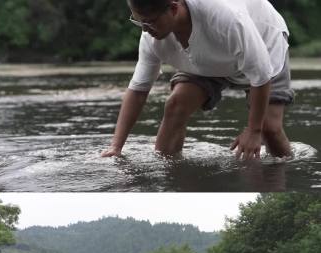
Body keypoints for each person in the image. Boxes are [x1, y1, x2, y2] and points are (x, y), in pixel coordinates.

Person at [101, 0, 294, 161]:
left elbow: (260, 76)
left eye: (150, 22)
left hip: (264, 44)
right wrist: (116, 146)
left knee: (269, 129)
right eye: (138, 21)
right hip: (206, 59)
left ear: (174, 8)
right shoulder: (152, 37)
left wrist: (254, 130)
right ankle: (170, 174)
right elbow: (138, 91)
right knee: (176, 105)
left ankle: (288, 170)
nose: (145, 29)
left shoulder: (227, 21)